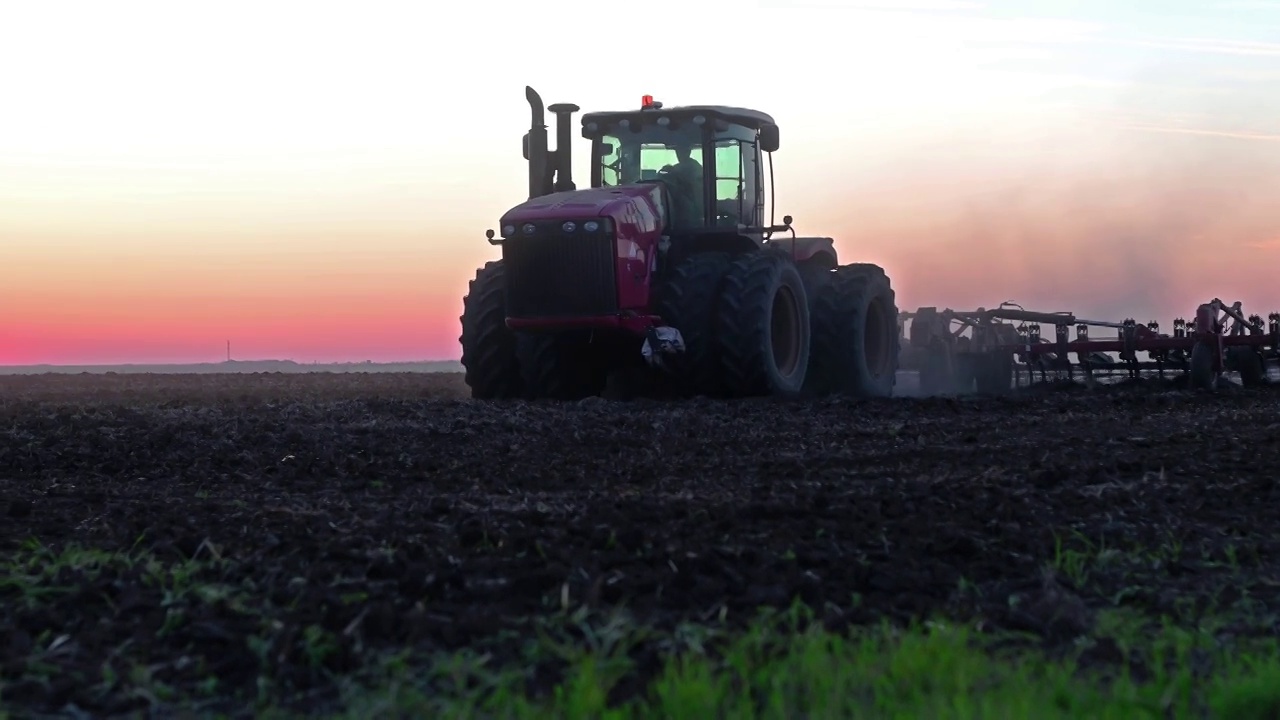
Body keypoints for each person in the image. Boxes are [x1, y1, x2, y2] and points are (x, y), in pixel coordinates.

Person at [659, 142, 704, 228]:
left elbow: (690, 186)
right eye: (678, 152)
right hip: (674, 205)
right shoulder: (677, 167)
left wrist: (673, 174)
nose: (679, 154)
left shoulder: (694, 167)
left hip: (692, 206)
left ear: (688, 152)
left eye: (682, 151)